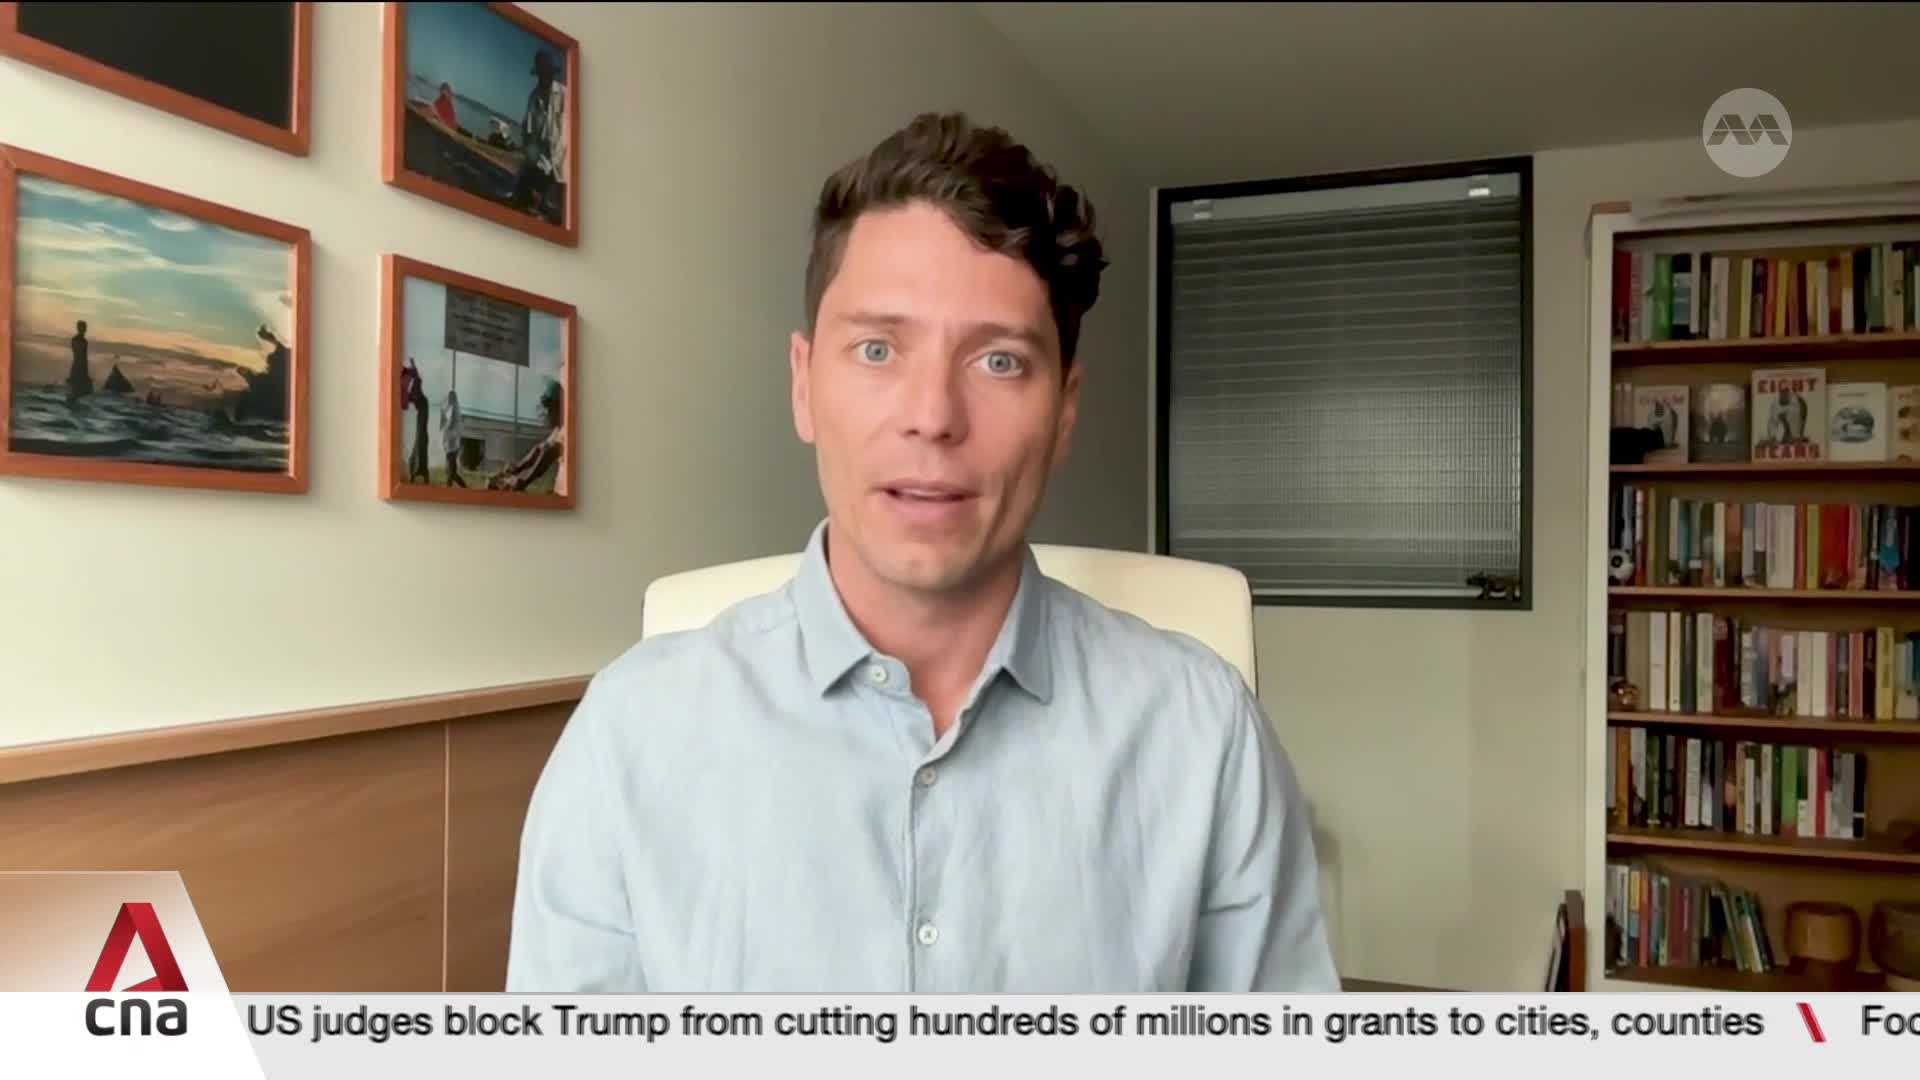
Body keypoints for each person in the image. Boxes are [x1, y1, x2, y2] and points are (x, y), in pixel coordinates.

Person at [506, 111, 1338, 993]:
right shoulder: (629, 736)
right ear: (803, 385)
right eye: (876, 349)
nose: (933, 416)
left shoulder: (1204, 736)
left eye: (1000, 363)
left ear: (1064, 413)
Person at [510, 50, 566, 221]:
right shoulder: (533, 97)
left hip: (560, 167)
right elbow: (527, 133)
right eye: (541, 74)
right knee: (519, 199)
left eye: (547, 74)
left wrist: (553, 163)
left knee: (550, 212)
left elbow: (568, 139)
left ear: (552, 74)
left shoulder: (565, 95)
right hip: (538, 162)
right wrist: (534, 157)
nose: (544, 78)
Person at [440, 386, 466, 487]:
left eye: (449, 397)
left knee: (451, 471)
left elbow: (448, 424)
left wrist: (445, 426)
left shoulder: (452, 409)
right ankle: (464, 488)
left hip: (451, 445)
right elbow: (459, 426)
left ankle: (450, 488)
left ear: (451, 398)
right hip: (453, 444)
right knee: (451, 471)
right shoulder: (456, 409)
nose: (448, 399)